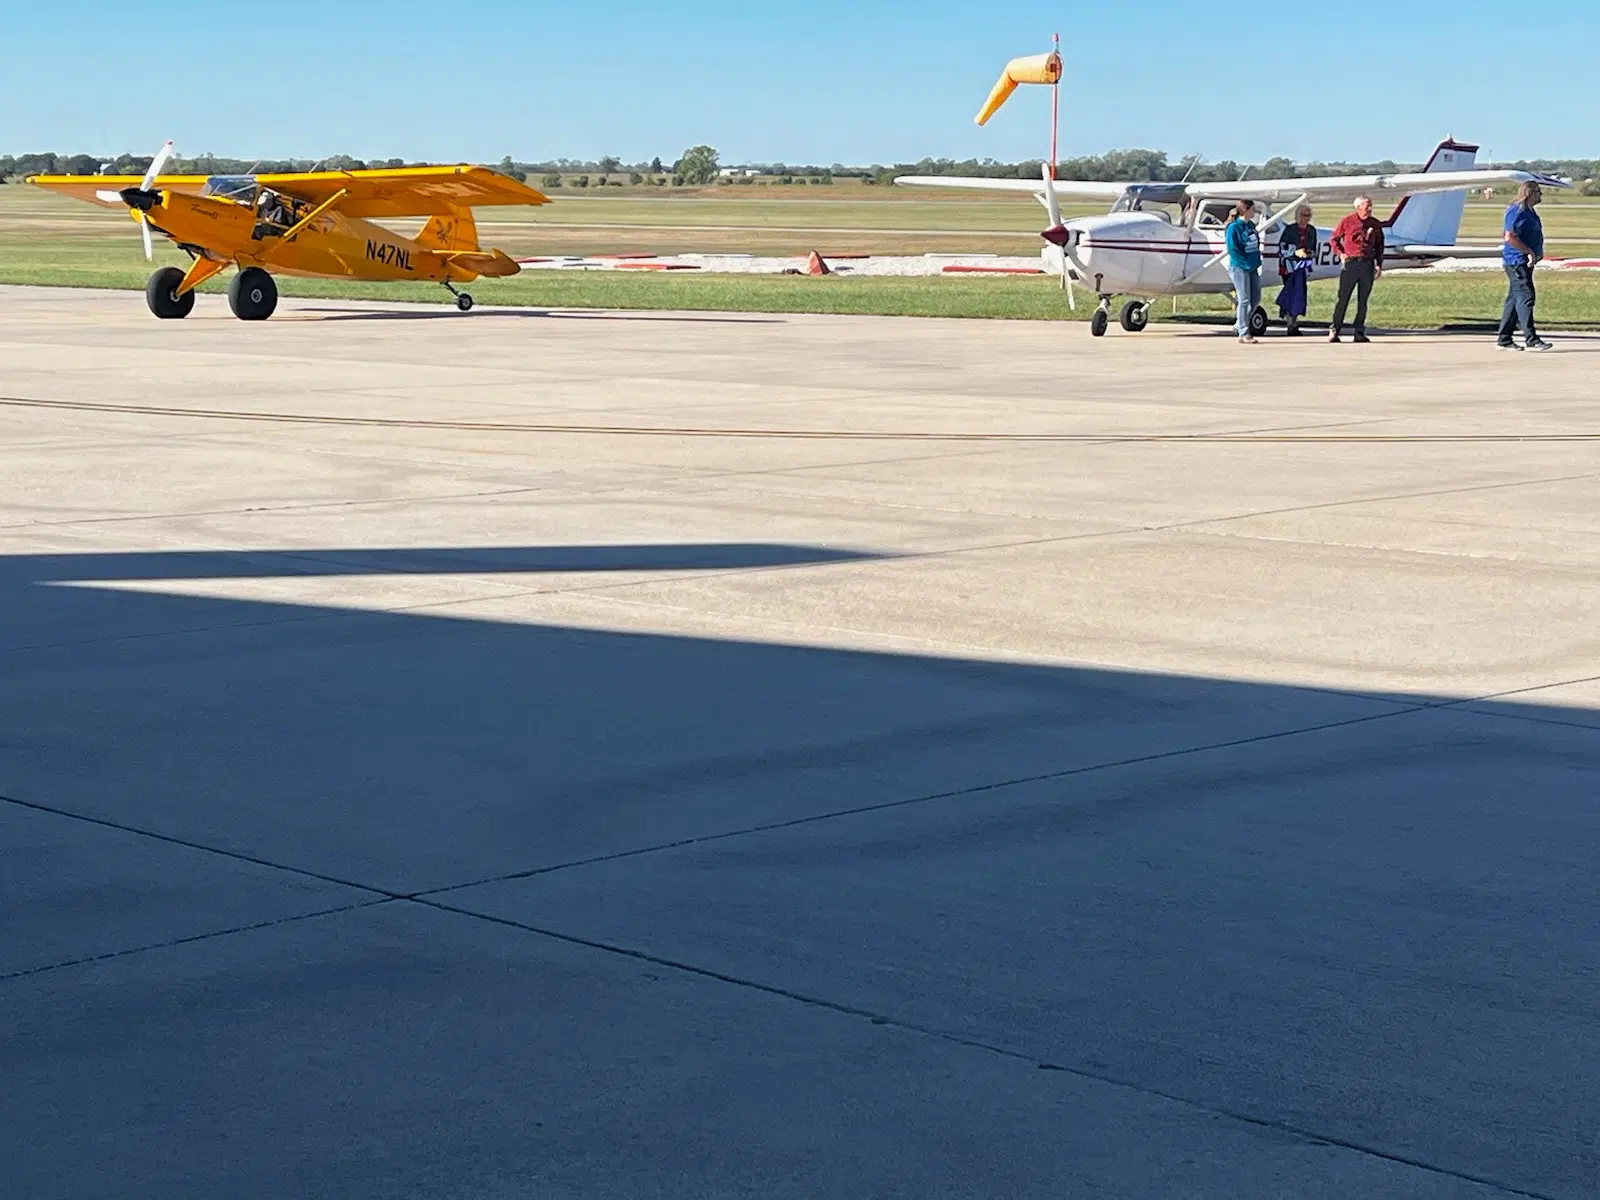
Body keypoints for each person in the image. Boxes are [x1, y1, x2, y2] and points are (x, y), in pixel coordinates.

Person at [1498, 181, 1550, 351]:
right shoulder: (1516, 211)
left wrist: (1537, 251)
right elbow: (1510, 236)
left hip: (1526, 261)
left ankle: (1504, 339)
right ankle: (1531, 339)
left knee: (1514, 299)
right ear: (1530, 193)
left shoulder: (1530, 212)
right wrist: (1528, 251)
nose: (1541, 195)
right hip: (1516, 261)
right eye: (1538, 192)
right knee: (1526, 296)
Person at [1328, 195, 1384, 343]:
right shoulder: (1347, 221)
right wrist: (1342, 254)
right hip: (1351, 263)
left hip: (1367, 264)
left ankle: (1359, 331)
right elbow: (1334, 239)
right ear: (1358, 208)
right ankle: (1335, 329)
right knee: (1343, 298)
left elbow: (1379, 246)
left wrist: (1379, 264)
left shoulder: (1375, 224)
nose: (1370, 209)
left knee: (1363, 300)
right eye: (1367, 206)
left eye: (1371, 206)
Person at [1225, 198, 1263, 344]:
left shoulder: (1251, 225)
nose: (1254, 212)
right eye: (1252, 209)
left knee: (1255, 298)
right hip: (1239, 267)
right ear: (1245, 210)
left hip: (1253, 266)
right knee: (1244, 299)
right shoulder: (1234, 227)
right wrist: (1244, 261)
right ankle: (1243, 331)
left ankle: (1239, 323)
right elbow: (1232, 248)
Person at [1277, 205, 1317, 336]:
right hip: (1290, 267)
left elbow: (1314, 248)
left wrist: (1309, 253)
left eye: (1308, 216)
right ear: (1297, 216)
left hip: (1303, 268)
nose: (1306, 219)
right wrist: (1295, 252)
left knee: (1300, 294)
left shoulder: (1311, 231)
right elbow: (1282, 248)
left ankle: (1293, 322)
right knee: (1291, 293)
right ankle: (1290, 323)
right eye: (1303, 216)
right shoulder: (1289, 230)